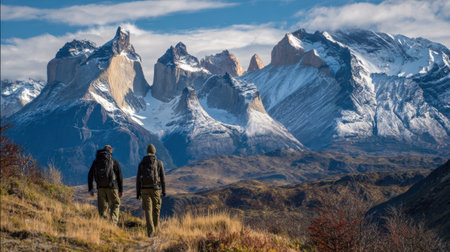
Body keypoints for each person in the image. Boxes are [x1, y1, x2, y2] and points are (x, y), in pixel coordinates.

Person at [88, 145, 123, 224]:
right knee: (115, 204)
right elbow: (119, 176)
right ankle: (113, 223)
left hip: (100, 187)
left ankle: (103, 224)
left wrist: (90, 188)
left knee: (102, 207)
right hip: (112, 187)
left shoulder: (96, 161)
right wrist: (121, 190)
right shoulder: (114, 161)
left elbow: (90, 174)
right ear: (110, 152)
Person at [136, 144, 166, 237]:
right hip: (155, 189)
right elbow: (163, 178)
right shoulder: (159, 162)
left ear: (147, 151)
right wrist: (164, 190)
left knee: (147, 210)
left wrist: (138, 193)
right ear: (154, 151)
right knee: (156, 209)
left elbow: (138, 179)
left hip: (144, 189)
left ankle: (150, 232)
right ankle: (156, 229)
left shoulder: (142, 163)